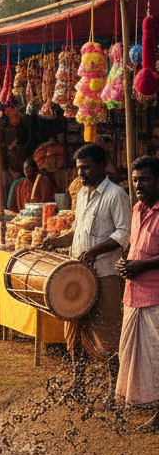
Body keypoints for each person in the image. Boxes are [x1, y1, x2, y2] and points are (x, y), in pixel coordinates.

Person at [43, 143, 131, 398]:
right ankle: (78, 384)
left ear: (102, 167)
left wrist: (94, 252)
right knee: (75, 330)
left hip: (105, 274)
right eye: (79, 168)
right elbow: (79, 231)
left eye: (86, 167)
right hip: (78, 276)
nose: (81, 173)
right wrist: (58, 240)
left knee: (108, 332)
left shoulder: (117, 195)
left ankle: (114, 389)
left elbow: (123, 234)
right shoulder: (82, 195)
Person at [116, 156, 159, 430]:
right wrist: (126, 263)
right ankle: (149, 404)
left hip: (156, 295)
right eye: (134, 180)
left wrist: (142, 265)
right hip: (133, 293)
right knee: (137, 355)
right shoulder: (136, 210)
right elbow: (134, 245)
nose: (138, 185)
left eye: (144, 179)